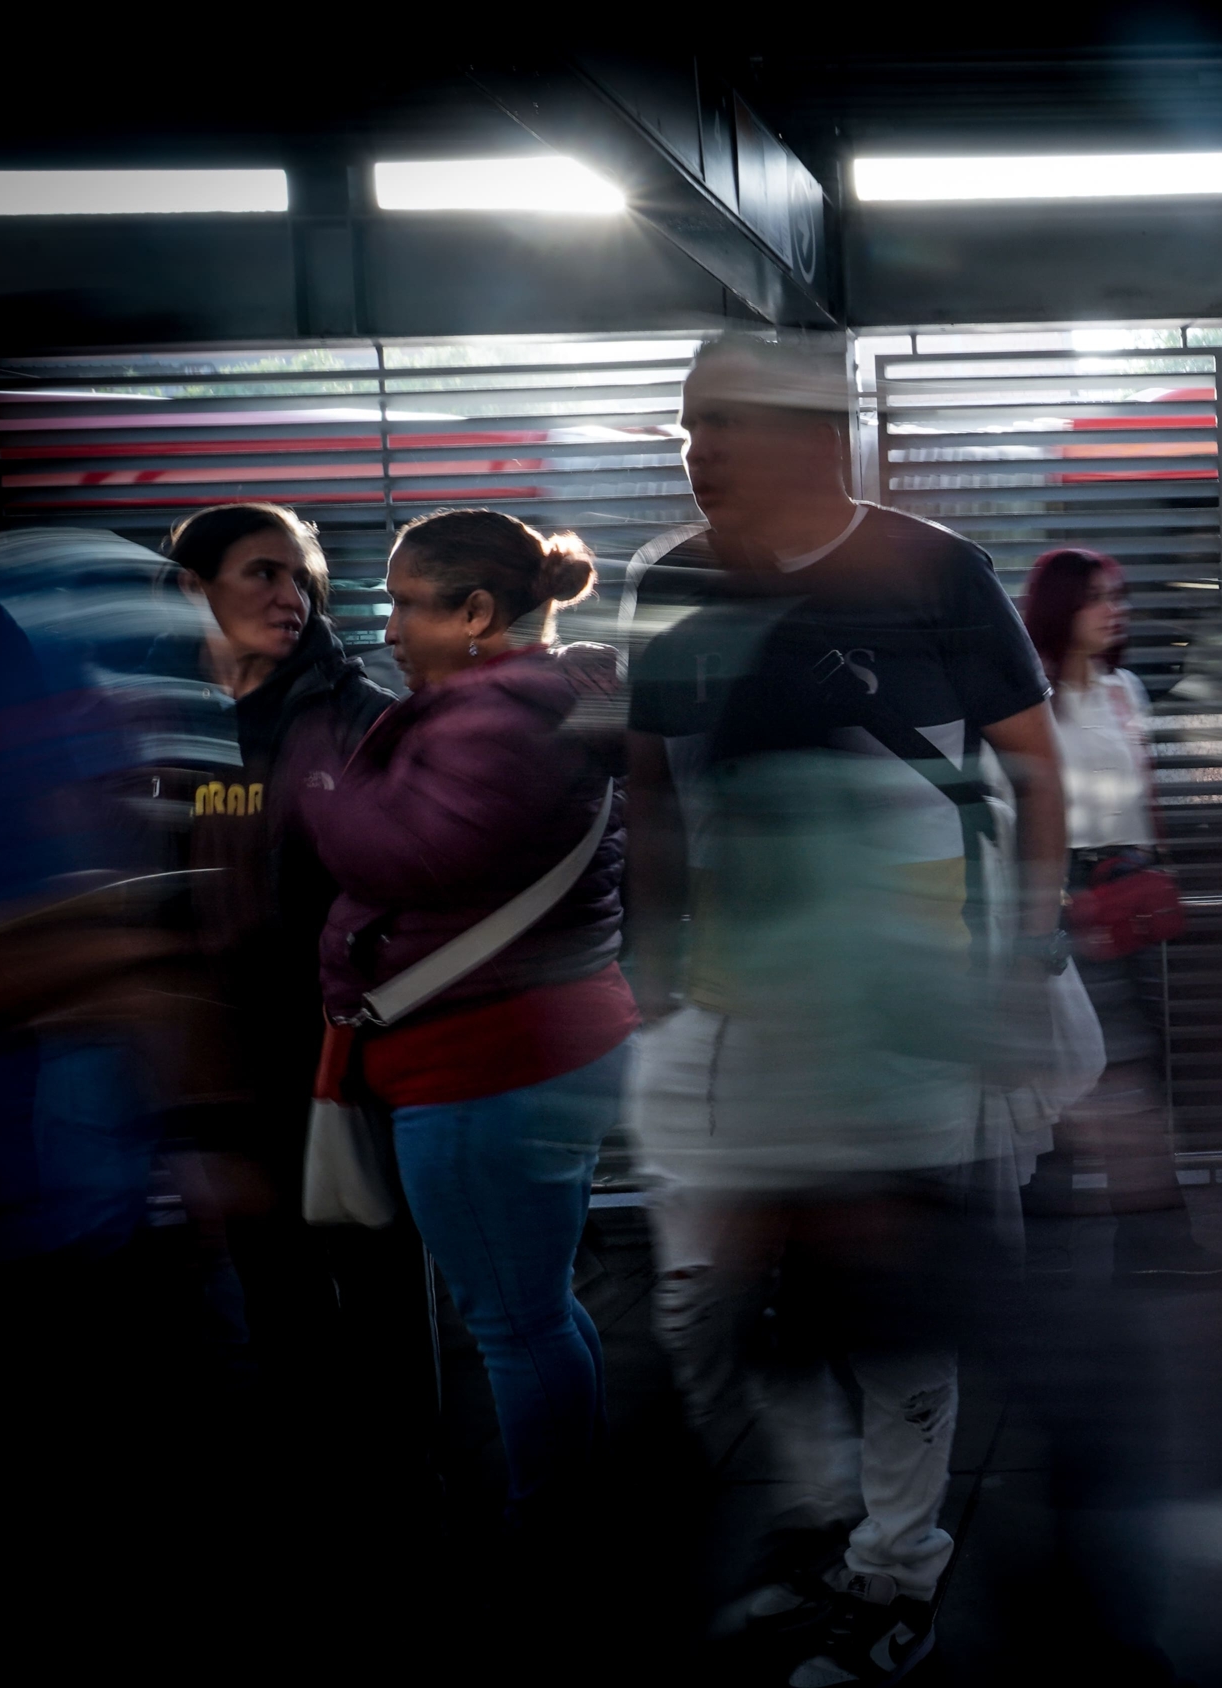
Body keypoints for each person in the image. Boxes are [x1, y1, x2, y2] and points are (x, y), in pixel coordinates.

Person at [620, 334, 1074, 1684]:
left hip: (909, 1003)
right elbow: (649, 782)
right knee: (711, 1291)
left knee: (895, 1300)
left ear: (820, 439)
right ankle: (813, 1519)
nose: (702, 451)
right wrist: (656, 959)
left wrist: (1023, 955)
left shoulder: (933, 571)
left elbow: (1035, 770)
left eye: (732, 425)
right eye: (692, 425)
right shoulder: (667, 580)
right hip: (727, 1003)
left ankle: (892, 1568)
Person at [308, 507, 636, 1539]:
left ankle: (548, 1526)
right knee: (538, 1304)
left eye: (407, 603)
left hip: (483, 1059)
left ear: (478, 611)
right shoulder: (538, 695)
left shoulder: (494, 714)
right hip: (545, 1041)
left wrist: (311, 786)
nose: (390, 626)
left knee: (510, 1316)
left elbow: (411, 853)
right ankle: (570, 1497)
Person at [151, 503, 428, 1497]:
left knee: (382, 1281)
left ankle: (411, 1480)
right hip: (232, 1061)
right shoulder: (162, 723)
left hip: (345, 1052)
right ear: (195, 588)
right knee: (275, 1288)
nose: (289, 596)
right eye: (262, 574)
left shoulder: (355, 717)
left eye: (300, 578)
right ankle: (321, 1483)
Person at [1020, 546, 1222, 1282]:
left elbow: (1142, 798)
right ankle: (1149, 1245)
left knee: (1120, 1071)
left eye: (1120, 597)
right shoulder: (1033, 698)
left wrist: (1155, 867)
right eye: (1099, 598)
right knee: (1108, 1073)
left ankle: (1083, 1248)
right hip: (1067, 900)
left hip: (1127, 894)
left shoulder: (1124, 691)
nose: (1117, 611)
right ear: (1061, 609)